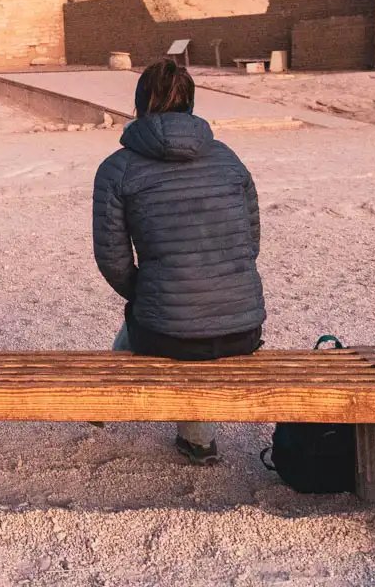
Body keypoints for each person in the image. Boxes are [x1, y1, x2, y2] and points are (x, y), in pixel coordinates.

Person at [92, 60, 266, 465]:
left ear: (139, 106)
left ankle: (104, 400)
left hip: (167, 332)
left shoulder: (117, 169)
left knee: (156, 316)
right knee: (179, 316)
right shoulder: (229, 160)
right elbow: (250, 242)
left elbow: (112, 259)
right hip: (242, 329)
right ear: (191, 104)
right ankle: (197, 440)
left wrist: (150, 292)